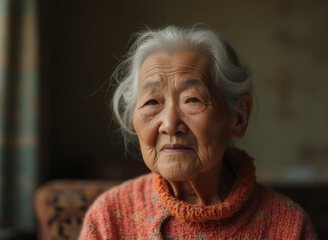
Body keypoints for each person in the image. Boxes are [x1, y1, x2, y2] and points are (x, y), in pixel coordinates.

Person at [79, 25, 316, 239]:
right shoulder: (108, 219)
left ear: (238, 117)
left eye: (192, 99)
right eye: (152, 102)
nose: (170, 124)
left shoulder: (289, 228)